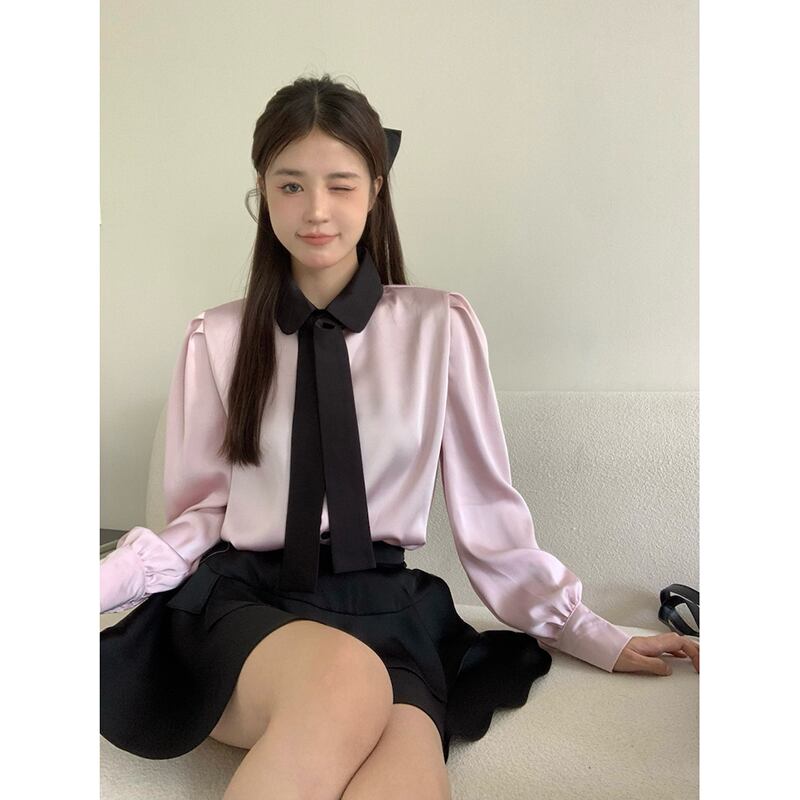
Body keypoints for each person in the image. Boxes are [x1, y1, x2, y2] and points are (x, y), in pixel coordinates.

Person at [100, 73, 699, 800]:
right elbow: (197, 520)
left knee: (407, 780)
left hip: (389, 612)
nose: (316, 210)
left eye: (340, 184)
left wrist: (589, 630)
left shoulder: (440, 328)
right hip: (247, 606)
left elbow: (489, 517)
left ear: (376, 189)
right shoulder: (218, 338)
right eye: (290, 186)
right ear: (263, 192)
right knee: (344, 680)